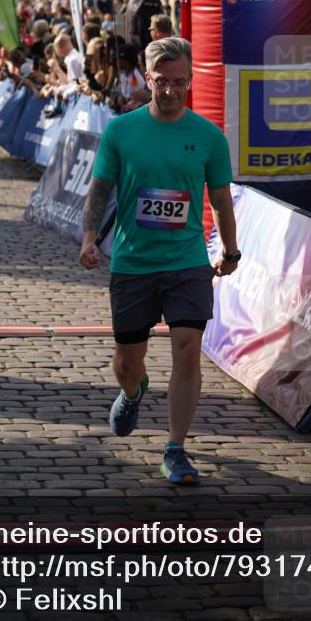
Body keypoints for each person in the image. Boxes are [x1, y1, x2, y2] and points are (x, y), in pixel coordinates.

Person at [79, 36, 240, 485]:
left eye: (179, 83)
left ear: (190, 80)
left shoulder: (208, 137)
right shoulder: (121, 131)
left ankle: (176, 448)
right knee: (127, 362)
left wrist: (230, 250)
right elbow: (99, 191)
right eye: (162, 82)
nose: (170, 91)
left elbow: (222, 200)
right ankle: (133, 392)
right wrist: (90, 238)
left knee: (188, 350)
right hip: (132, 261)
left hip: (186, 261)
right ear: (147, 78)